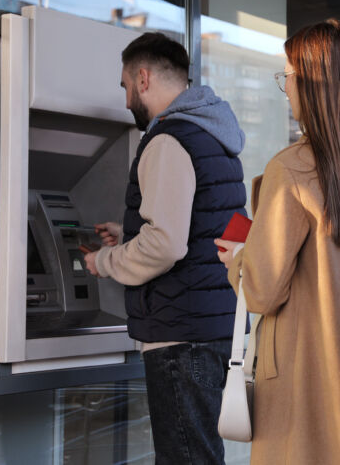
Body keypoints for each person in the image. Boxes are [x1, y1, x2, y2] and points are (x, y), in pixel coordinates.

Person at [216, 19, 340, 465]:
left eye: (287, 75)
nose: (285, 86)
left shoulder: (292, 170)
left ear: (311, 84)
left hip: (304, 383)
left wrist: (239, 257)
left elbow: (262, 290)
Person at [83, 32, 247, 464]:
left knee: (186, 459)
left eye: (123, 86)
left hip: (181, 332)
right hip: (210, 325)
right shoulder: (213, 137)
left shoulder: (169, 139)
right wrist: (130, 233)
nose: (124, 102)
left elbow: (166, 245)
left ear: (142, 78)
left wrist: (104, 261)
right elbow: (200, 227)